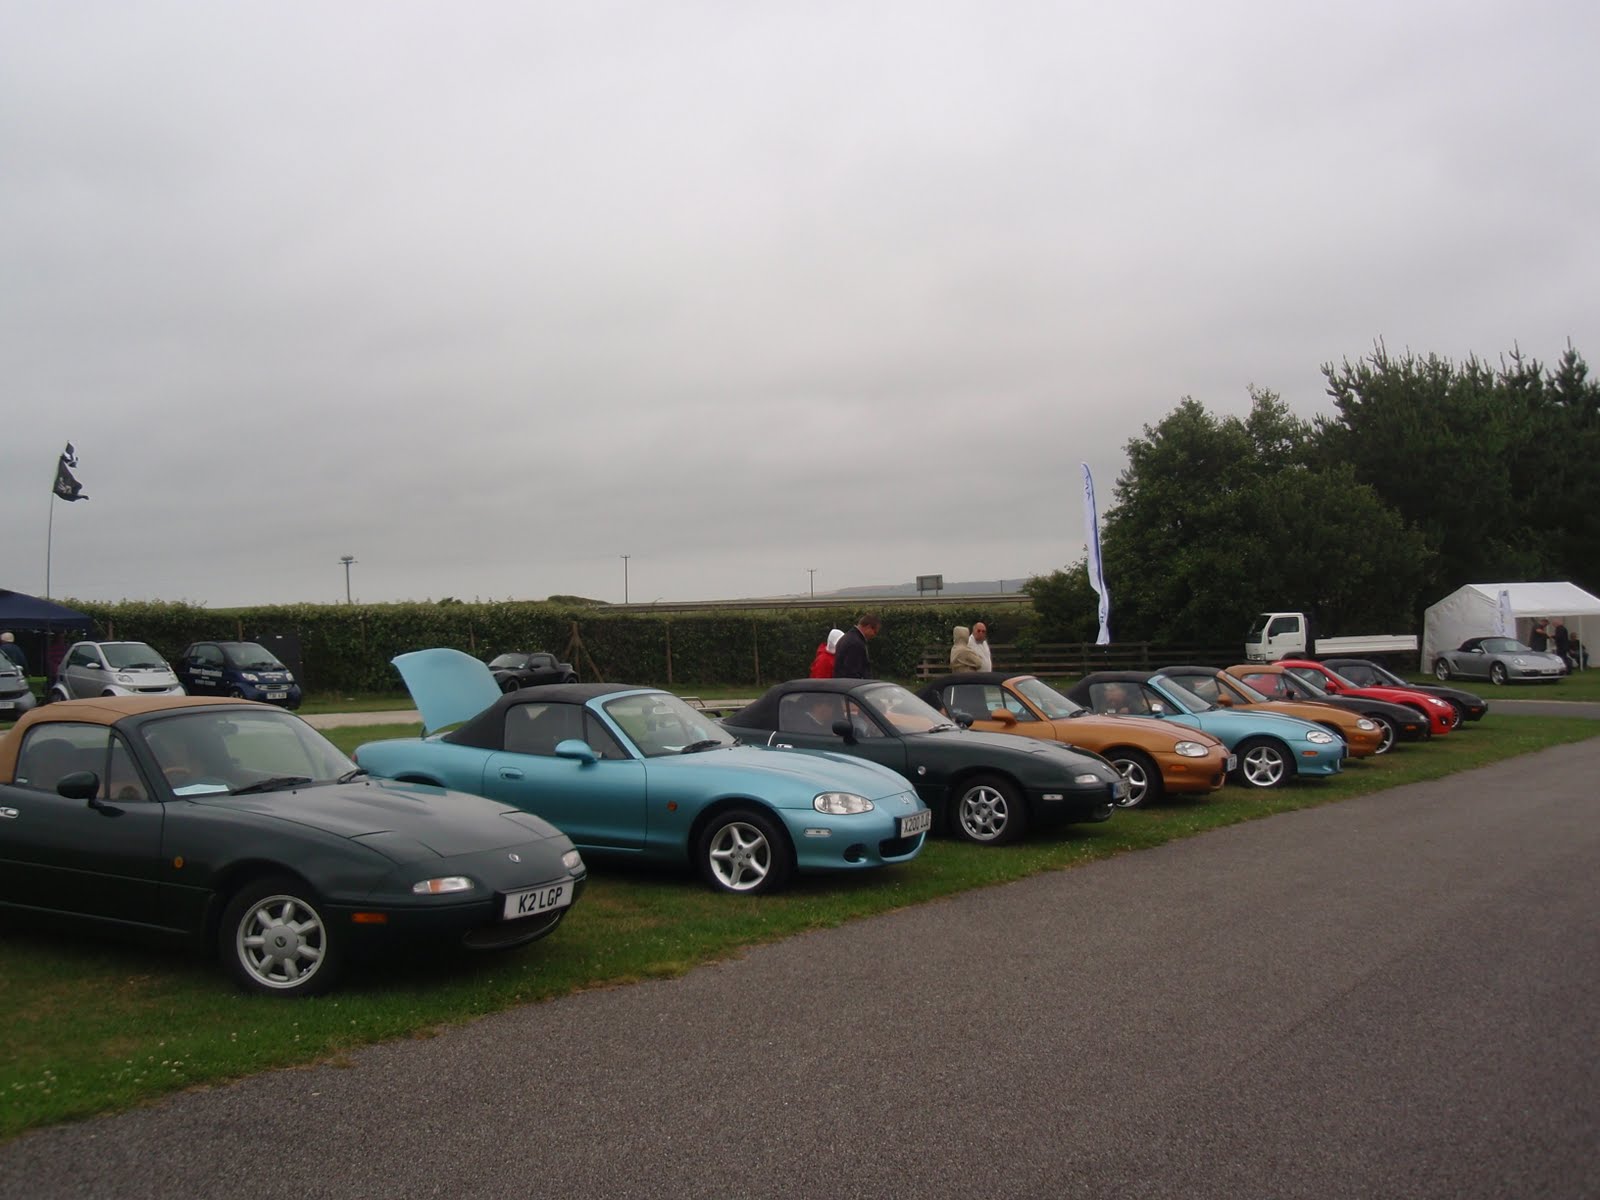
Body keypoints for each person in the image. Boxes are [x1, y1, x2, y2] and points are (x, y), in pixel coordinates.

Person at [832, 614, 880, 680]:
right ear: (868, 627)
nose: (874, 635)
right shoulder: (856, 643)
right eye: (875, 632)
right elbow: (853, 672)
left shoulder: (847, 637)